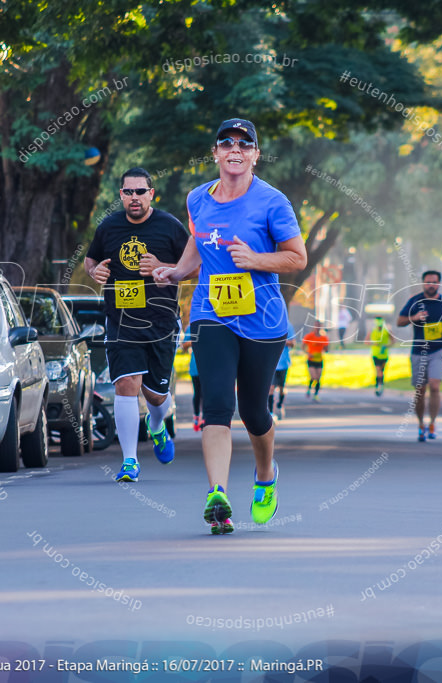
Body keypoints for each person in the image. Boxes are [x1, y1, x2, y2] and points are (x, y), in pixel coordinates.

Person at [153, 118, 307, 535]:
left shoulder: (273, 202)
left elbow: (297, 257)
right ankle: (217, 495)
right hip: (211, 312)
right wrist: (176, 271)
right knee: (216, 405)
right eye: (226, 143)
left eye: (244, 144)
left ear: (256, 154)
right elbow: (198, 241)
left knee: (254, 410)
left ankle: (264, 474)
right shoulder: (197, 198)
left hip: (262, 318)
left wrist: (257, 259)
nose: (235, 149)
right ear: (216, 152)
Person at [84, 167, 189, 483]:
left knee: (155, 394)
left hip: (160, 321)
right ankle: (129, 461)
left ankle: (157, 426)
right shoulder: (109, 227)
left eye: (140, 191)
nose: (134, 197)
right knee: (126, 384)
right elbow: (91, 260)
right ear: (120, 195)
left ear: (151, 194)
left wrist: (163, 267)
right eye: (128, 192)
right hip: (121, 320)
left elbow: (195, 266)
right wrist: (94, 272)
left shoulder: (169, 227)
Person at [397, 270, 442, 441]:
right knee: (420, 390)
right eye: (427, 282)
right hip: (419, 351)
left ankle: (432, 422)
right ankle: (420, 424)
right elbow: (400, 321)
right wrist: (415, 317)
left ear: (439, 284)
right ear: (423, 283)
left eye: (434, 282)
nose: (430, 285)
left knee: (434, 386)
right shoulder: (415, 301)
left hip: (439, 349)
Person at [268, 321, 297, 420]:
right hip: (272, 363)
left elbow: (293, 343)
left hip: (284, 363)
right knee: (270, 388)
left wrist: (281, 341)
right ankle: (271, 412)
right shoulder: (268, 323)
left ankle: (280, 405)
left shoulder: (288, 325)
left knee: (282, 388)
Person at [302, 321, 329, 402]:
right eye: (316, 325)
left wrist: (325, 348)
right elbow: (303, 346)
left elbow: (326, 349)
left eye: (319, 326)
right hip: (311, 359)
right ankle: (309, 388)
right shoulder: (309, 336)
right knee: (313, 376)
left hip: (319, 359)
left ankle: (316, 394)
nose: (317, 327)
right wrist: (308, 353)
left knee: (318, 378)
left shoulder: (324, 337)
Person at [181, 330, 203, 431]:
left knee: (208, 393)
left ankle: (205, 418)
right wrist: (194, 341)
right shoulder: (191, 327)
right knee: (198, 393)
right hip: (195, 366)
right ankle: (197, 417)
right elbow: (183, 346)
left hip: (210, 366)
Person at [368, 316, 392, 396]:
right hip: (375, 354)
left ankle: (380, 385)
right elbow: (366, 341)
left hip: (384, 355)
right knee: (378, 370)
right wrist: (373, 343)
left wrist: (387, 345)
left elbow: (393, 341)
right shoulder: (372, 331)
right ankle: (378, 386)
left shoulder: (387, 331)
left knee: (381, 371)